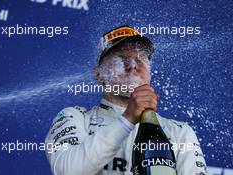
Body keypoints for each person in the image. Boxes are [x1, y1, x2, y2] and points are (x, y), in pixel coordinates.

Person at [45, 26, 207, 175]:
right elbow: (68, 170)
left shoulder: (179, 132)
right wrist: (128, 118)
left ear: (149, 72)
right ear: (98, 74)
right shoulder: (73, 117)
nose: (132, 65)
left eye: (141, 59)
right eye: (121, 59)